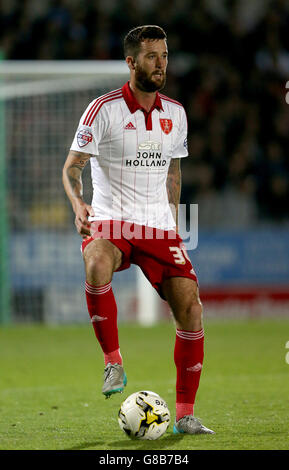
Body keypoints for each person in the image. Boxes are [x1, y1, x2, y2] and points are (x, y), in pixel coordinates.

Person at [62, 25, 214, 435]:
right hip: (112, 219)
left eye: (164, 55)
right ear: (131, 62)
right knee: (95, 262)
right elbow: (73, 166)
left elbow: (174, 174)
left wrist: (173, 222)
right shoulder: (103, 109)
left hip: (159, 227)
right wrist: (79, 205)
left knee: (192, 308)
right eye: (151, 56)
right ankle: (113, 362)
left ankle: (185, 415)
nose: (160, 63)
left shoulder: (176, 114)